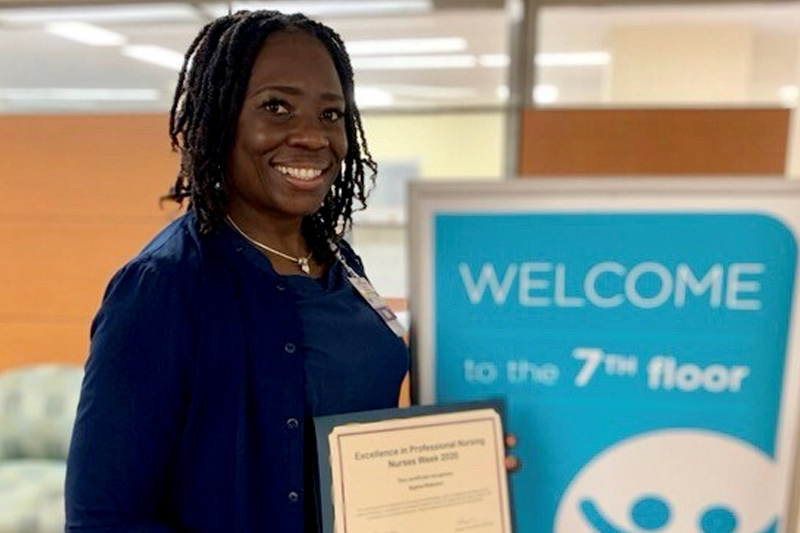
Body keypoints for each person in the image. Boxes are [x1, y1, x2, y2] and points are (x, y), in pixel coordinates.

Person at [65, 10, 411, 533]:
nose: (312, 138)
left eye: (330, 114)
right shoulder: (164, 287)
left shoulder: (338, 261)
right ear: (219, 120)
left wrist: (462, 463)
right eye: (276, 107)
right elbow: (104, 518)